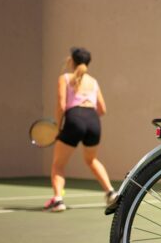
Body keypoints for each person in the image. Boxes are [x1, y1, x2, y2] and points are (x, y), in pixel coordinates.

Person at [44, 47, 117, 212]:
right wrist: (87, 117)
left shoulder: (64, 78)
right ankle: (111, 192)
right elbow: (102, 110)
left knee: (58, 165)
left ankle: (58, 200)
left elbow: (61, 105)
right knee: (91, 160)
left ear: (72, 61)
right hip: (93, 121)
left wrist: (58, 126)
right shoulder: (94, 81)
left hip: (74, 118)